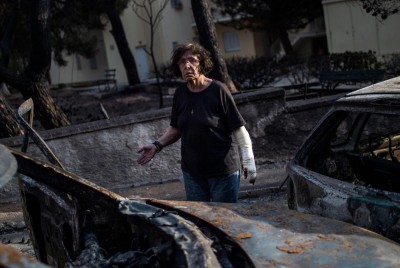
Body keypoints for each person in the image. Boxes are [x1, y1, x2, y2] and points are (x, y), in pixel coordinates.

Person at [137, 43, 256, 203]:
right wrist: (157, 145)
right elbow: (176, 128)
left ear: (202, 63)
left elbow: (238, 129)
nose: (187, 65)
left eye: (192, 60)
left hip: (222, 171)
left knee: (225, 219)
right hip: (193, 174)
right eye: (182, 62)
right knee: (199, 220)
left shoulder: (218, 90)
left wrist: (248, 160)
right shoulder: (180, 94)